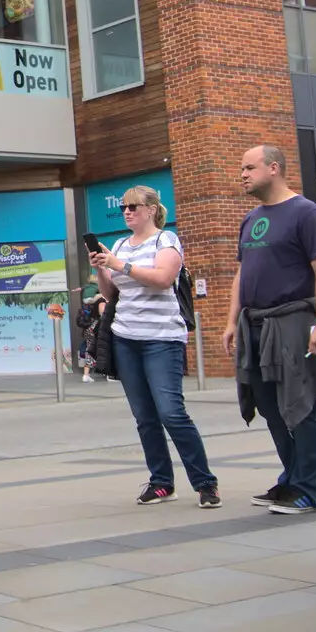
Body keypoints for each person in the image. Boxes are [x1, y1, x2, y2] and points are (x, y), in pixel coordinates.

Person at [91, 185, 220, 508]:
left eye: (134, 206)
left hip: (162, 339)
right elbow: (110, 293)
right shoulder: (120, 244)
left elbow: (163, 278)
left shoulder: (166, 240)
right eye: (123, 207)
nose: (127, 212)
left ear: (151, 209)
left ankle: (205, 483)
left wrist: (121, 266)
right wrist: (100, 267)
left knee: (171, 412)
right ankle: (162, 482)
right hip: (126, 338)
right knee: (145, 417)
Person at [222, 146, 316, 516]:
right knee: (270, 406)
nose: (242, 174)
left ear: (274, 168)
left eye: (249, 167)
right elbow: (243, 272)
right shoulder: (250, 218)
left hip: (293, 322)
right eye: (241, 168)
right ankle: (291, 478)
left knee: (300, 404)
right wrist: (230, 321)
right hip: (254, 325)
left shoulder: (306, 212)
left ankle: (309, 489)